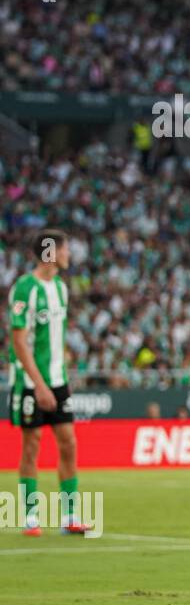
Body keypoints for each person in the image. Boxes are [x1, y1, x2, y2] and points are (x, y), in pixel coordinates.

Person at [8, 229, 87, 536]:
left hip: (58, 379)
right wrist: (39, 385)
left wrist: (60, 378)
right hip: (30, 381)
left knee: (68, 442)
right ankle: (30, 517)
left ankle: (69, 516)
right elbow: (19, 341)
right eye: (65, 249)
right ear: (52, 253)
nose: (69, 255)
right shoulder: (24, 289)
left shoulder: (61, 288)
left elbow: (56, 340)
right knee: (32, 444)